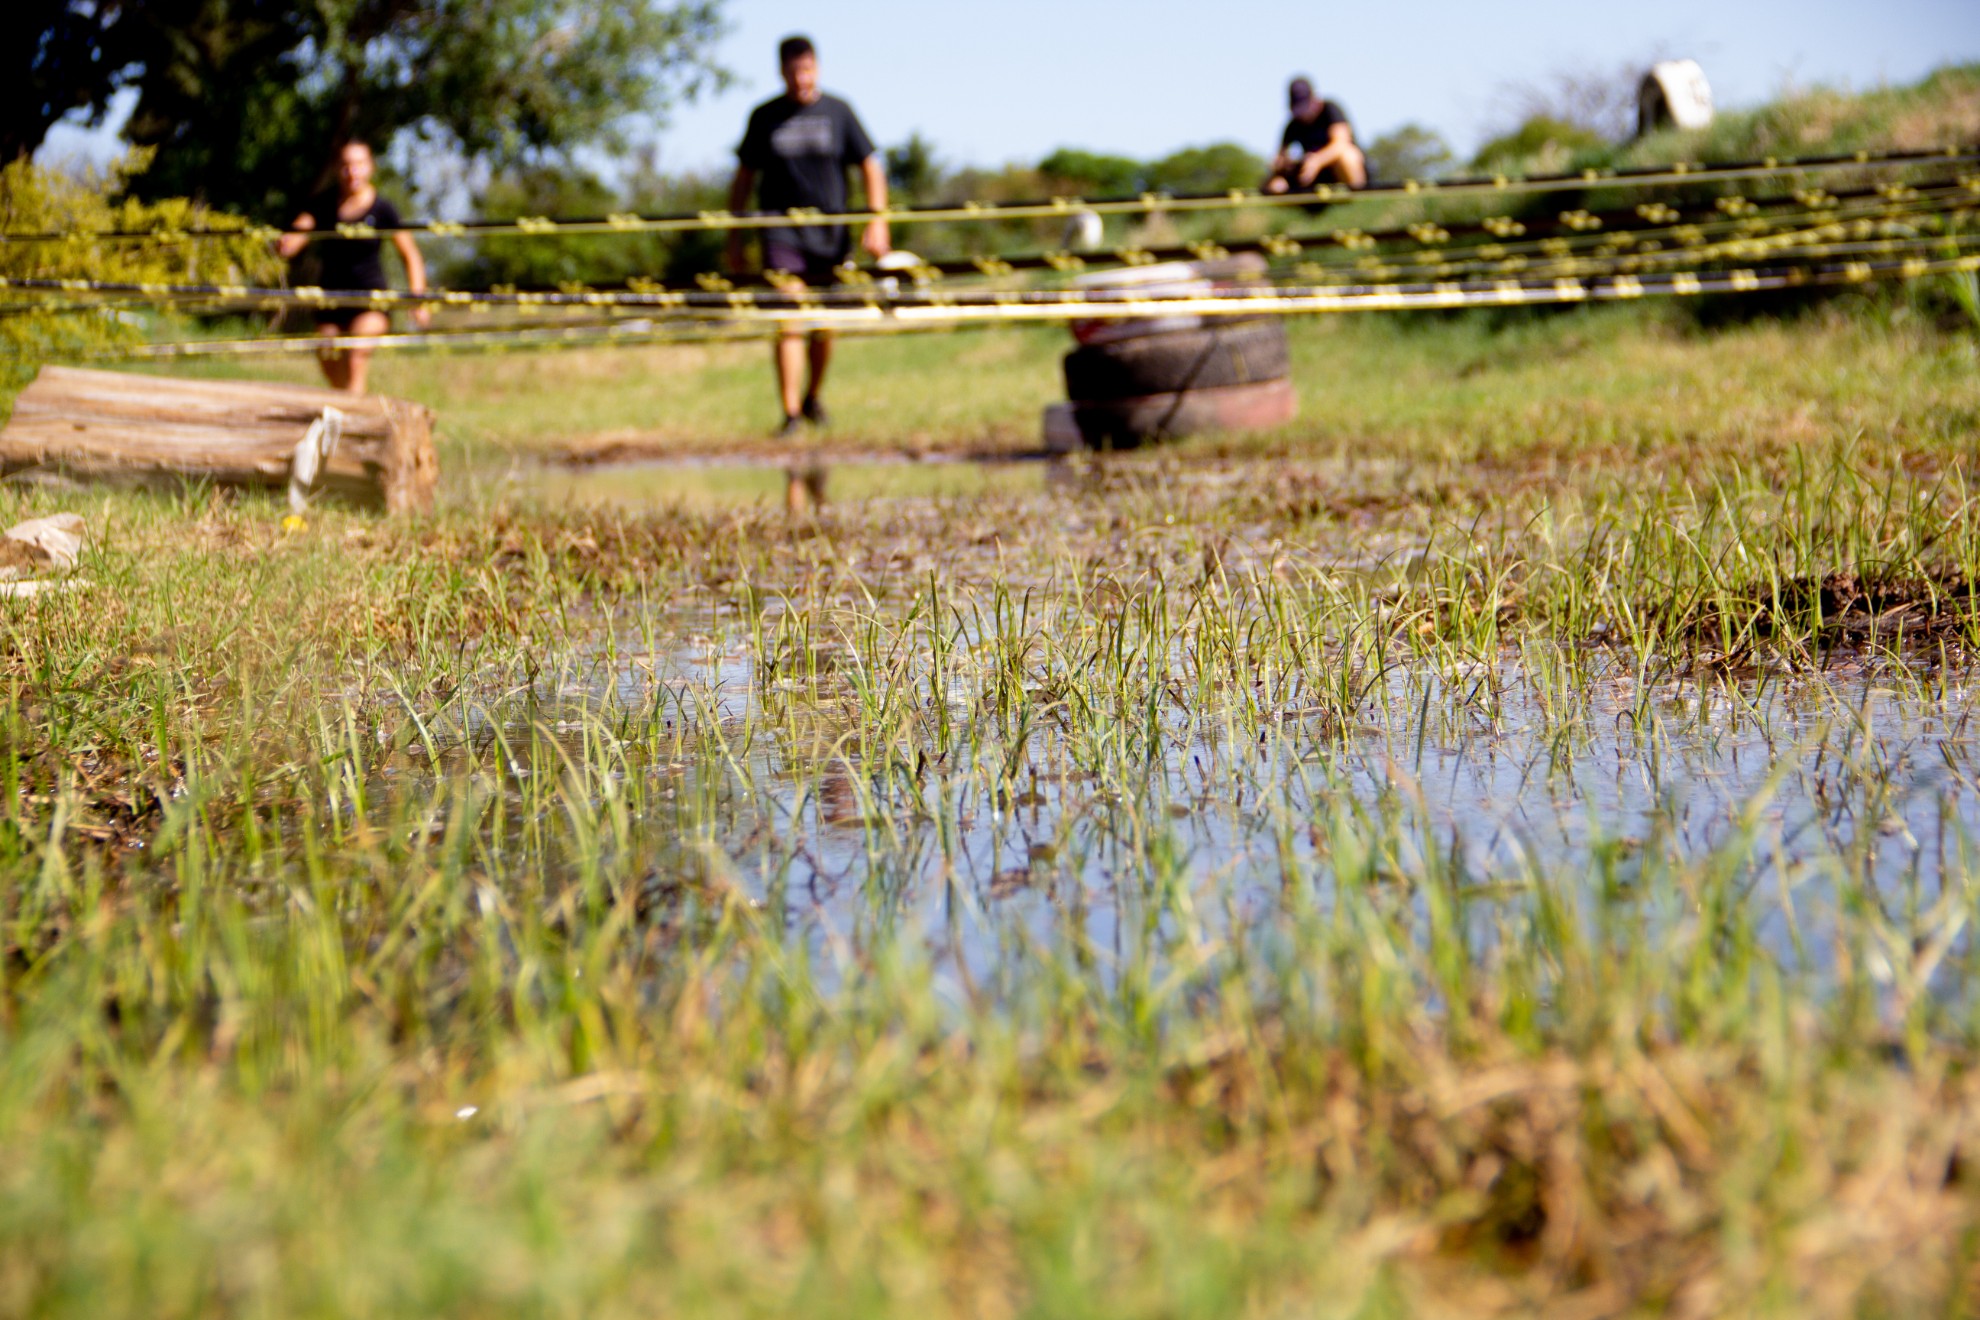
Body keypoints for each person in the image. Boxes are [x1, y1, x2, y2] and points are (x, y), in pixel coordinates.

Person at [726, 35, 890, 437]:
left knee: (824, 323)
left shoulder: (839, 112)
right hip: (780, 231)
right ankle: (791, 412)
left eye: (808, 70)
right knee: (789, 311)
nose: (801, 78)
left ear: (817, 68)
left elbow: (870, 166)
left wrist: (877, 221)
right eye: (794, 71)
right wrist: (734, 236)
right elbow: (743, 179)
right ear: (781, 72)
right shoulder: (764, 116)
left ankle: (814, 395)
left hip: (831, 234)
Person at [277, 140, 430, 395]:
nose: (352, 171)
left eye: (358, 164)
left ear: (370, 167)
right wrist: (285, 243)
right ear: (338, 169)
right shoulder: (324, 204)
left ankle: (353, 418)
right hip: (331, 301)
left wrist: (418, 298)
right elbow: (297, 233)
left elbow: (410, 255)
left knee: (356, 353)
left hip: (370, 300)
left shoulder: (383, 210)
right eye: (347, 165)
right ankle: (349, 408)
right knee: (328, 354)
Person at [1265, 78, 1367, 193]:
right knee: (1276, 184)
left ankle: (1358, 196)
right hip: (1312, 177)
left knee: (1348, 156)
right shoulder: (1293, 125)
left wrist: (1317, 161)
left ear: (1314, 99)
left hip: (1338, 171)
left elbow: (1342, 143)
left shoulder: (1330, 109)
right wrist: (1283, 164)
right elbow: (1280, 157)